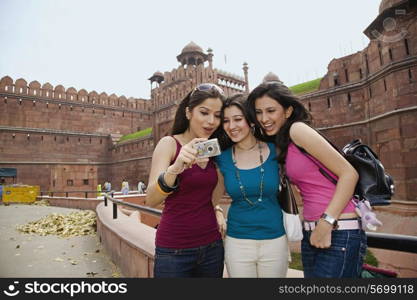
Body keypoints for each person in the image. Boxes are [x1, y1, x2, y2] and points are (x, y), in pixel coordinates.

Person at [246, 81, 367, 278]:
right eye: (258, 112)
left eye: (270, 111)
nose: (264, 118)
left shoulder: (297, 130)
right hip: (314, 231)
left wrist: (327, 223)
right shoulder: (285, 140)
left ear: (287, 111)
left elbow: (349, 174)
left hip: (337, 230)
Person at [145, 83, 227, 278]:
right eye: (204, 112)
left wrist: (217, 209)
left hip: (212, 247)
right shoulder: (169, 144)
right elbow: (151, 199)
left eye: (217, 116)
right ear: (189, 112)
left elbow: (211, 200)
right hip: (174, 250)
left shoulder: (213, 150)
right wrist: (176, 168)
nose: (211, 121)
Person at [215, 94, 288, 278]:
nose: (232, 126)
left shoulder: (275, 150)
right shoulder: (222, 158)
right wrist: (217, 209)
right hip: (238, 241)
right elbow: (212, 198)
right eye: (226, 121)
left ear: (251, 120)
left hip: (275, 238)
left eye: (238, 119)